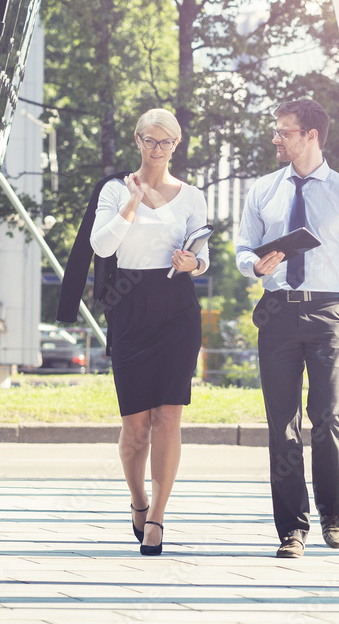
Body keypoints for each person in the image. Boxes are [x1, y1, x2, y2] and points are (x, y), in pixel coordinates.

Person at [235, 98, 339, 559]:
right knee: (281, 424)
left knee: (328, 418)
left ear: (310, 136)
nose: (276, 138)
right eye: (277, 130)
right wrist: (255, 266)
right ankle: (291, 530)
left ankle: (333, 516)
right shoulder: (263, 190)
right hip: (277, 313)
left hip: (328, 316)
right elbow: (242, 249)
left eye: (284, 131)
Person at [69, 108, 209, 556]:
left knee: (168, 417)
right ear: (137, 140)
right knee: (135, 428)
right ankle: (137, 501)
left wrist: (194, 262)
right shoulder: (113, 190)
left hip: (176, 307)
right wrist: (132, 201)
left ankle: (158, 519)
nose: (157, 149)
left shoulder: (192, 196)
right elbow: (102, 245)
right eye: (150, 140)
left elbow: (202, 256)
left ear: (176, 145)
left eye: (166, 142)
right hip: (129, 306)